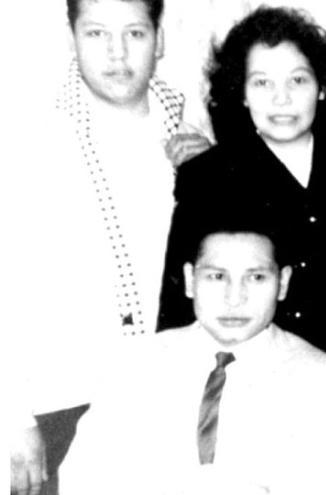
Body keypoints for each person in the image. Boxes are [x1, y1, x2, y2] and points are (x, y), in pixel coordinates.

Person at [10, 0, 211, 492]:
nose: (117, 54)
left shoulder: (195, 138)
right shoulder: (30, 141)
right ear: (70, 37)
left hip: (172, 405)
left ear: (159, 38)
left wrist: (214, 176)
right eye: (98, 34)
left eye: (135, 34)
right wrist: (11, 418)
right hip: (62, 403)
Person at [158, 6, 326, 418]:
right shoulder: (209, 175)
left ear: (321, 87)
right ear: (241, 93)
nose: (282, 98)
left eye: (297, 80)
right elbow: (179, 304)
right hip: (257, 386)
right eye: (262, 82)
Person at [60, 209, 326, 494]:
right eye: (217, 276)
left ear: (283, 283)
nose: (234, 298)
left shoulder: (323, 380)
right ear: (190, 280)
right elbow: (84, 478)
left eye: (256, 278)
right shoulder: (137, 362)